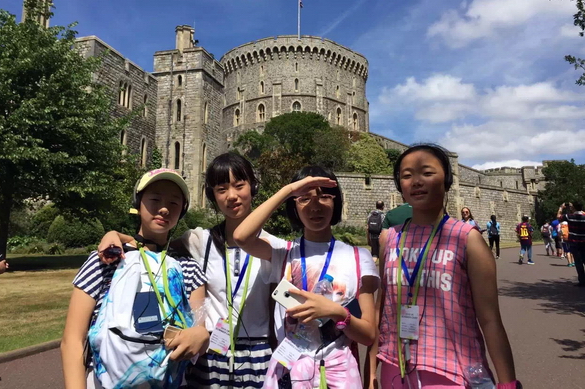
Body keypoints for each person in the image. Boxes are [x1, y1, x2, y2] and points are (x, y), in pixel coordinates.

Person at [97, 153, 282, 388]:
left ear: (253, 187)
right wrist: (116, 235)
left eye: (239, 185)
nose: (231, 196)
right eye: (222, 189)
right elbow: (153, 244)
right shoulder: (199, 240)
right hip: (211, 353)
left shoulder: (274, 247)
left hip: (258, 355)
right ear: (212, 196)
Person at [367, 144, 519, 389]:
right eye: (407, 175)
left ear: (447, 180)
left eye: (427, 173)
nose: (416, 181)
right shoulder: (391, 239)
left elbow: (490, 319)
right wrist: (370, 372)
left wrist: (507, 383)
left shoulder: (467, 239)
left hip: (451, 372)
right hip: (395, 369)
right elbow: (380, 310)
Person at [233, 165, 380, 389]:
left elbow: (368, 335)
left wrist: (336, 312)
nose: (315, 206)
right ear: (294, 205)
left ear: (336, 201)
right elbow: (241, 237)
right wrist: (289, 190)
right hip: (289, 373)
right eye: (304, 199)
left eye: (324, 197)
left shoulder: (358, 257)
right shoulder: (283, 252)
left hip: (338, 375)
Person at [61, 169, 209, 389]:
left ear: (182, 211)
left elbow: (199, 332)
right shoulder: (106, 259)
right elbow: (72, 340)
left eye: (174, 203)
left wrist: (201, 335)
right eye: (155, 199)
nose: (164, 208)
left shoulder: (189, 268)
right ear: (138, 204)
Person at [557, 202, 585, 287]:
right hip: (584, 241)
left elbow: (558, 217)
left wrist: (561, 208)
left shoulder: (570, 216)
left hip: (574, 241)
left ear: (574, 208)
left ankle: (582, 281)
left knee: (578, 262)